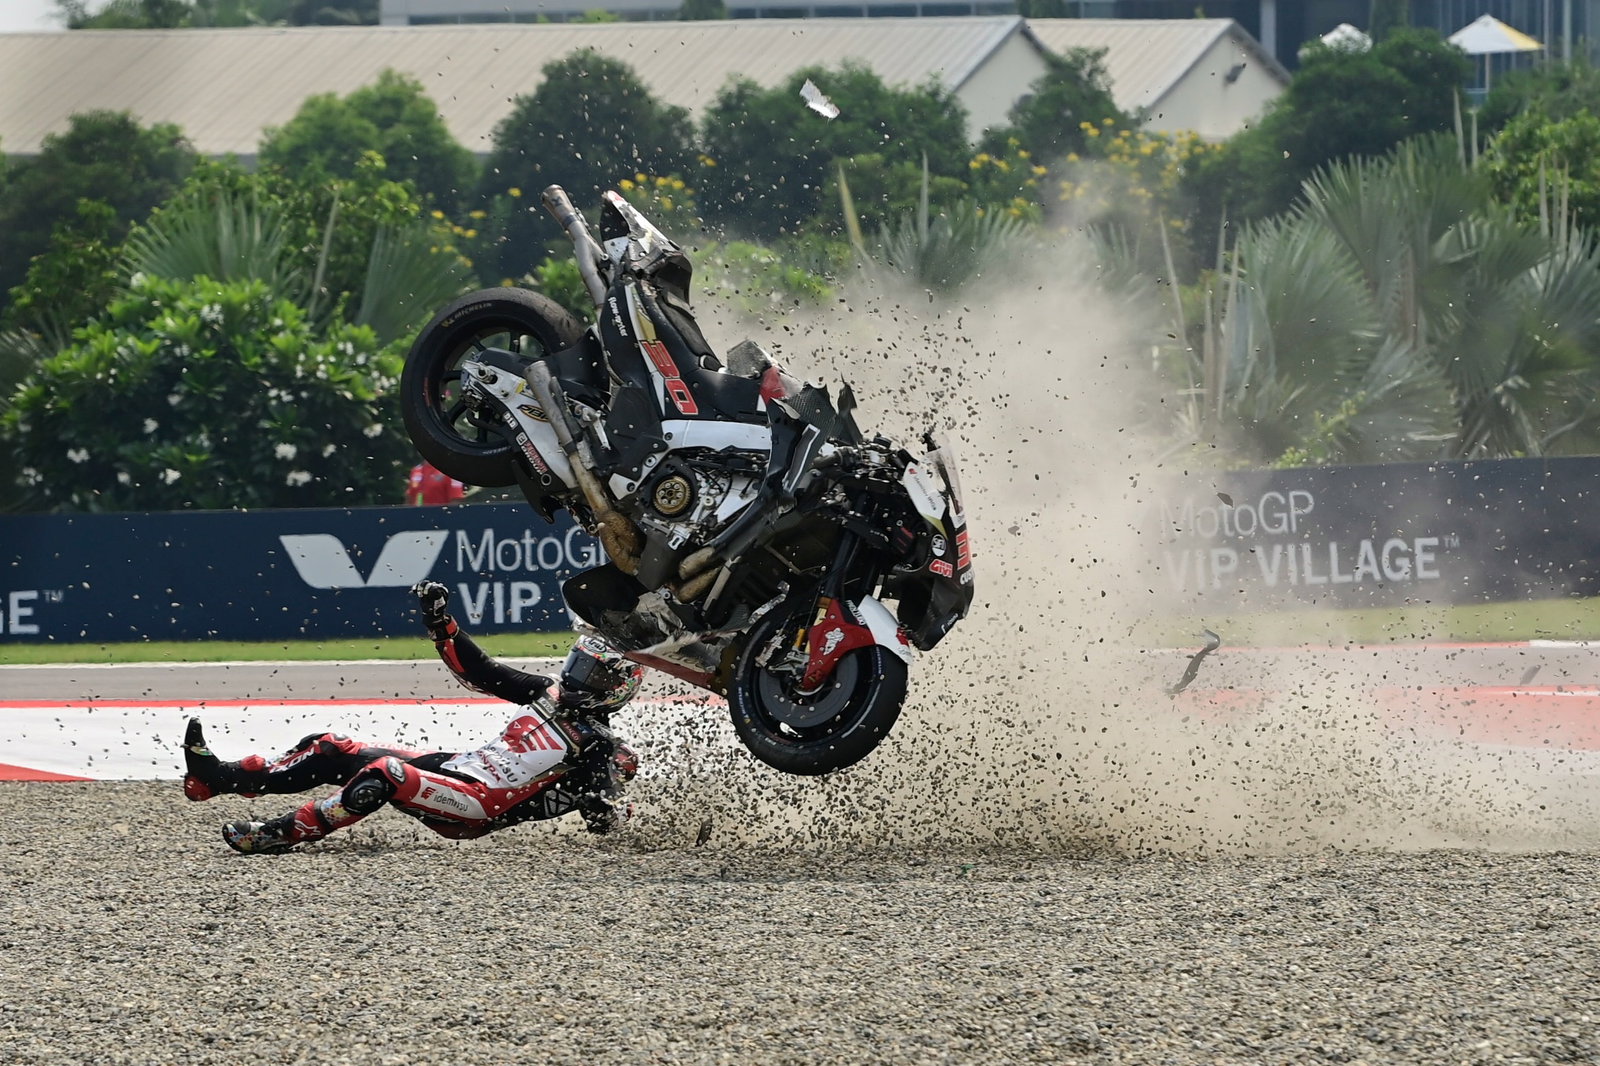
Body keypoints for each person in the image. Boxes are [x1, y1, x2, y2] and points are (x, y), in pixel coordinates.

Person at [183, 581, 644, 854]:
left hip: (478, 804)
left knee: (385, 774)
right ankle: (217, 778)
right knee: (330, 747)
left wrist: (608, 807)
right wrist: (441, 624)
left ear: (618, 688)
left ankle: (277, 833)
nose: (578, 677)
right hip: (456, 768)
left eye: (594, 674)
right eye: (578, 665)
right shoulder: (548, 693)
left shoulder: (602, 744)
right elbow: (482, 672)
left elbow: (602, 810)